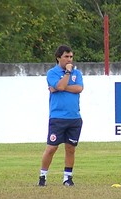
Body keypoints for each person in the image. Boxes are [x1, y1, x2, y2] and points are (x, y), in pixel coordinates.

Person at [38, 45, 84, 187]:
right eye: (66, 57)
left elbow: (79, 88)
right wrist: (67, 76)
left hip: (74, 117)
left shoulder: (78, 73)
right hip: (58, 117)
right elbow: (62, 85)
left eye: (71, 57)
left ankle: (67, 178)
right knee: (52, 148)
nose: (69, 59)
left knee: (70, 148)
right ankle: (43, 176)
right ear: (58, 57)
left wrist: (60, 88)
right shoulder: (52, 73)